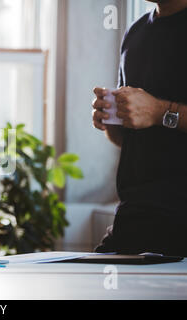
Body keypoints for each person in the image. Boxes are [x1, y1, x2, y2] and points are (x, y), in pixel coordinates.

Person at [92, 0, 187, 256]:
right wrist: (111, 118)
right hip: (133, 219)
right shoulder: (135, 33)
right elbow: (132, 140)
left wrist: (159, 112)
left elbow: (155, 114)